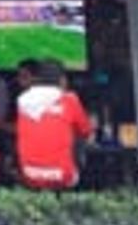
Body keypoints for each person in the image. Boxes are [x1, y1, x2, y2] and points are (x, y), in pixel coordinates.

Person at [15, 59, 93, 190]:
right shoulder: (69, 99)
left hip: (28, 174)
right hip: (63, 176)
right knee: (78, 139)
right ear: (62, 80)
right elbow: (85, 131)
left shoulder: (23, 100)